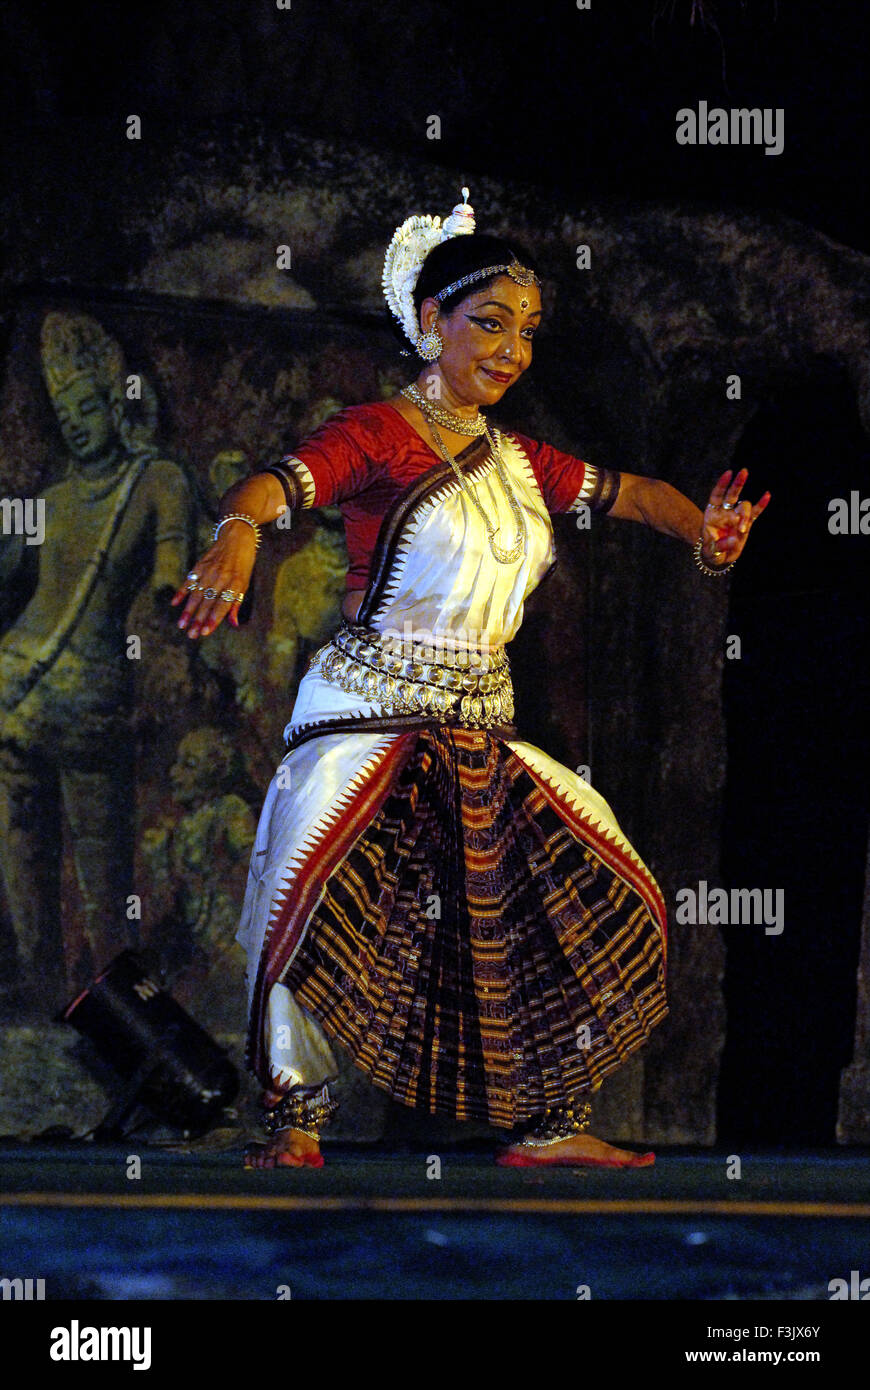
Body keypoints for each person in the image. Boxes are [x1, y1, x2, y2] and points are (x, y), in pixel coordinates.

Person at [172, 189, 770, 1170]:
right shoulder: (378, 434)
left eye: (527, 332)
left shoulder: (520, 460)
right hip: (368, 714)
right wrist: (238, 535)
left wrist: (704, 537)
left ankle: (544, 1123)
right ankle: (292, 1121)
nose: (511, 350)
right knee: (310, 891)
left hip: (480, 730)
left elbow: (630, 494)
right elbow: (277, 486)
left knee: (593, 886)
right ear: (427, 323)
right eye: (488, 323)